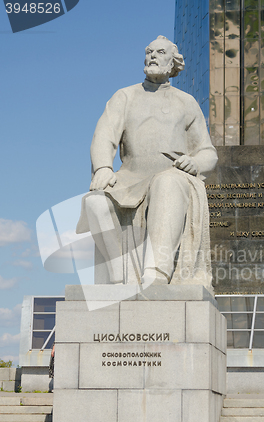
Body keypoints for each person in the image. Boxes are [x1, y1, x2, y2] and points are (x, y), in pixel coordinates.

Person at [76, 36, 218, 289]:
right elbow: (104, 136)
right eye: (149, 51)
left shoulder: (186, 102)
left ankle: (155, 274)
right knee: (96, 201)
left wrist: (194, 163)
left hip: (173, 175)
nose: (152, 56)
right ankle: (120, 274)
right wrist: (103, 168)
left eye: (160, 52)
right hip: (129, 177)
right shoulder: (125, 96)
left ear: (172, 61)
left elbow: (208, 153)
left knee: (167, 183)